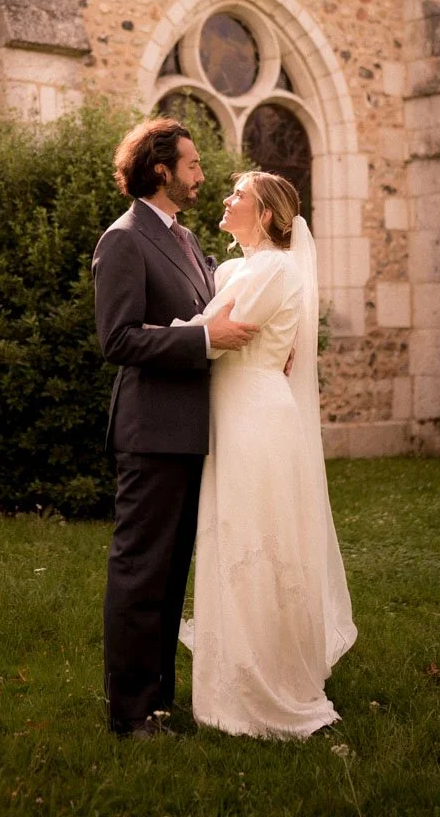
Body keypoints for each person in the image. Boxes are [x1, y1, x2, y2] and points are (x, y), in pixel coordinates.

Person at [92, 117, 258, 740]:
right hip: (151, 432)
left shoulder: (188, 241)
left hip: (192, 432)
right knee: (141, 575)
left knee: (169, 578)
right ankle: (129, 715)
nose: (200, 175)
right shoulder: (124, 239)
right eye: (191, 165)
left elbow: (215, 311)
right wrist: (203, 338)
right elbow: (119, 339)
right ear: (160, 169)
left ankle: (158, 702)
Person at [176, 171, 357, 738]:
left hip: (256, 413)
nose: (227, 201)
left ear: (269, 216)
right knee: (229, 534)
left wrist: (162, 333)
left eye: (240, 197)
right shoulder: (236, 268)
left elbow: (219, 330)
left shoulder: (277, 268)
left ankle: (267, 681)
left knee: (256, 539)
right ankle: (233, 666)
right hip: (231, 412)